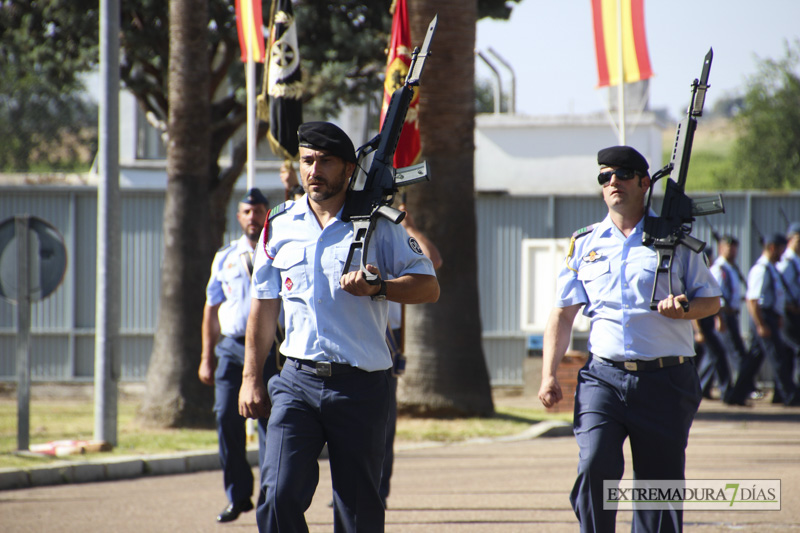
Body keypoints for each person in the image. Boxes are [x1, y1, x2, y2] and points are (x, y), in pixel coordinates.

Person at [238, 121, 440, 533]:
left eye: (325, 161)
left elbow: (429, 286)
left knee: (358, 512)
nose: (314, 170)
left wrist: (379, 287)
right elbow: (263, 306)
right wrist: (251, 378)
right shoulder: (280, 224)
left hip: (361, 386)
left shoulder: (380, 223)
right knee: (277, 496)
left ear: (349, 169)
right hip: (296, 380)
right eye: (307, 160)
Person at [538, 146, 721, 532]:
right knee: (593, 467)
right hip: (603, 377)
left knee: (658, 490)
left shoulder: (676, 240)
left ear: (643, 182)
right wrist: (548, 375)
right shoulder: (585, 242)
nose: (612, 182)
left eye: (621, 174)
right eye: (605, 177)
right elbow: (563, 312)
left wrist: (684, 309)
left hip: (666, 381)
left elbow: (711, 300)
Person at [198, 188, 279, 523]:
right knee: (225, 418)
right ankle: (238, 494)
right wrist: (206, 356)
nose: (252, 217)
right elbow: (211, 306)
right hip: (231, 349)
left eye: (259, 211)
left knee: (270, 424)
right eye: (247, 211)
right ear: (239, 216)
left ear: (266, 214)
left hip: (271, 348)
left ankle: (268, 498)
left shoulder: (278, 251)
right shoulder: (225, 256)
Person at [380, 204, 442, 509]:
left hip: (386, 341)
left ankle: (377, 490)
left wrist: (410, 226)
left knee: (382, 423)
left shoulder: (397, 231)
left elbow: (434, 261)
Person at [727, 233, 800, 406]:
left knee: (753, 359)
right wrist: (761, 324)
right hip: (764, 317)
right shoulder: (761, 269)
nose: (783, 253)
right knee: (778, 357)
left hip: (770, 316)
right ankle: (790, 396)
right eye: (781, 249)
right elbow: (752, 300)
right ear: (772, 248)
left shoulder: (771, 268)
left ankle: (736, 396)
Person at [709, 235, 748, 381]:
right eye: (728, 247)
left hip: (732, 314)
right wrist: (719, 318)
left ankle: (706, 387)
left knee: (720, 353)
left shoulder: (731, 268)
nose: (731, 251)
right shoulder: (719, 269)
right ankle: (741, 388)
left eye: (734, 248)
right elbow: (715, 296)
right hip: (723, 314)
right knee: (736, 353)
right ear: (720, 248)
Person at [778, 222, 800, 380]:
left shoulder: (796, 260)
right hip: (789, 312)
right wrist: (787, 305)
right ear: (790, 240)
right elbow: (779, 287)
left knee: (787, 352)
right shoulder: (786, 262)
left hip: (795, 311)